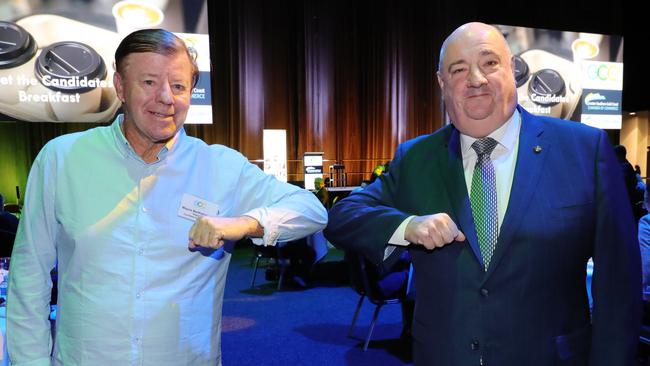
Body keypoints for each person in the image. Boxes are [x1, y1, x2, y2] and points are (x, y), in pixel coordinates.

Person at [325, 22, 640, 365]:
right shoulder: (415, 158)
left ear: (513, 70)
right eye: (458, 69)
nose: (475, 78)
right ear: (442, 84)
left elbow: (619, 287)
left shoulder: (583, 150)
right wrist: (407, 226)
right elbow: (342, 216)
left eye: (489, 63)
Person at [7, 29, 327, 366]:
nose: (166, 98)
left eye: (178, 86)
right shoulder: (62, 159)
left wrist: (243, 223)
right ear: (119, 87)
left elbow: (312, 211)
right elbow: (29, 277)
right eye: (148, 82)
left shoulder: (221, 166)